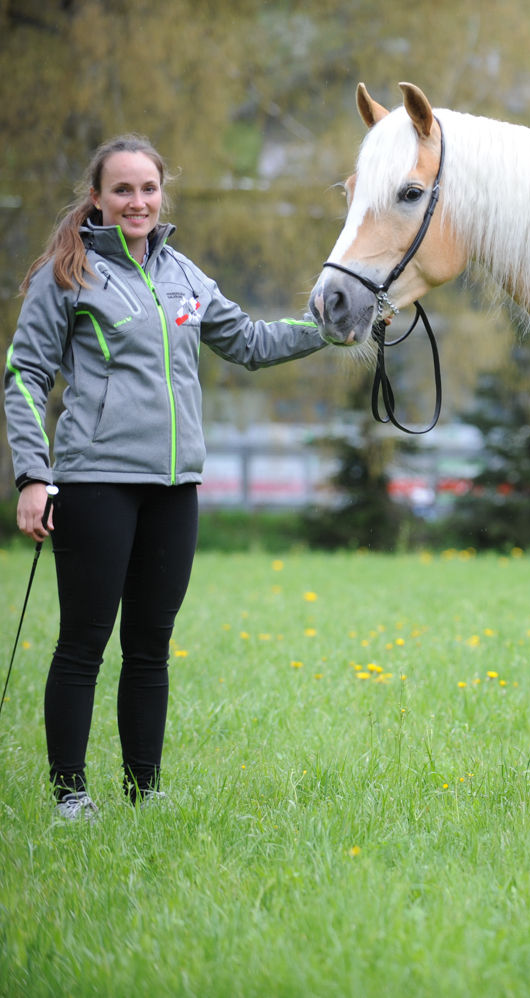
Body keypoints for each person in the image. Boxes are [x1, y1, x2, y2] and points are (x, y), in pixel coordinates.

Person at [4, 134, 328, 820]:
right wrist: (33, 475)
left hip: (176, 487)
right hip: (95, 483)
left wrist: (330, 326)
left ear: (162, 195)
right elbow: (25, 376)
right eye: (122, 190)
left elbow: (248, 342)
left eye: (148, 189)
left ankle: (145, 793)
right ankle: (71, 795)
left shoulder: (183, 273)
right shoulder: (69, 273)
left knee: (150, 647)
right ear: (97, 198)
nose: (137, 201)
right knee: (84, 643)